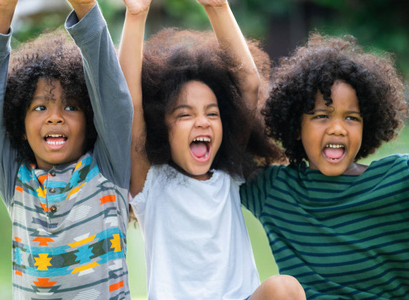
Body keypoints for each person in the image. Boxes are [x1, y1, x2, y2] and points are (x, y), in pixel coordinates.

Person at [118, 0, 305, 299]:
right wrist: (136, 14)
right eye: (185, 114)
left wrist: (218, 7)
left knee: (285, 288)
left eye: (212, 113)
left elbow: (248, 85)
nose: (202, 122)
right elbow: (129, 102)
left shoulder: (227, 175)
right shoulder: (151, 183)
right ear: (160, 129)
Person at [240, 32, 409, 299]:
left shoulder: (405, 178)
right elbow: (245, 89)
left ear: (367, 125)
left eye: (352, 118)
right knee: (279, 288)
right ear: (297, 127)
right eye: (322, 116)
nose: (337, 128)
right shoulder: (274, 189)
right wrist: (219, 8)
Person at [0, 0, 133, 298]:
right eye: (40, 107)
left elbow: (114, 99)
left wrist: (85, 7)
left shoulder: (107, 169)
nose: (55, 116)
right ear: (20, 124)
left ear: (92, 120)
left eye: (71, 106)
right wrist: (3, 9)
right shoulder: (16, 180)